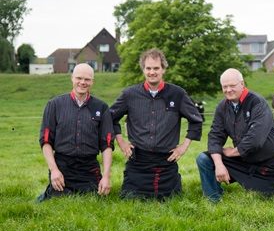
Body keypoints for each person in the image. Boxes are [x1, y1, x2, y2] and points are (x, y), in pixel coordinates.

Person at [110, 48, 203, 200]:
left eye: (156, 68)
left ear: (163, 69)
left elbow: (196, 121)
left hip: (166, 162)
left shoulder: (177, 94)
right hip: (138, 161)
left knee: (172, 199)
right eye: (148, 68)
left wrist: (183, 147)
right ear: (143, 69)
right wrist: (122, 143)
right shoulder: (129, 95)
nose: (152, 72)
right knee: (130, 199)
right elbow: (110, 117)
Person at [196, 68, 274, 203]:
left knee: (264, 200)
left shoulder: (257, 103)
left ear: (242, 84)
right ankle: (213, 199)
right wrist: (219, 164)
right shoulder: (222, 107)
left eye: (232, 85)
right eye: (225, 86)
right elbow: (215, 135)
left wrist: (232, 152)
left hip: (266, 164)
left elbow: (255, 140)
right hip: (243, 159)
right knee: (204, 159)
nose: (228, 90)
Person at [37, 63, 114, 202]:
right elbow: (46, 141)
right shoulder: (55, 105)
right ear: (72, 78)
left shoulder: (101, 107)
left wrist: (106, 177)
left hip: (88, 168)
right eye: (79, 78)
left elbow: (107, 145)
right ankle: (49, 192)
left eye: (87, 79)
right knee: (60, 201)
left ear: (92, 81)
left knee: (93, 200)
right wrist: (54, 170)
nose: (82, 82)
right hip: (62, 166)